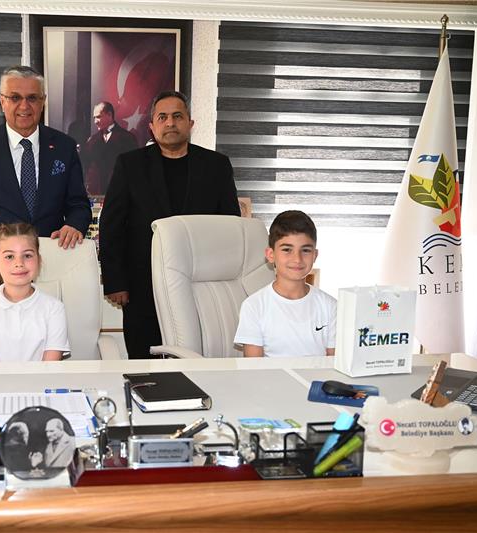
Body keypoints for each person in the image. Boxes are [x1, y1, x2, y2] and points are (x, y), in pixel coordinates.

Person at [99, 91, 241, 359]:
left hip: (201, 284)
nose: (170, 123)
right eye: (162, 117)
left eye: (177, 116)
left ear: (190, 123)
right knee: (145, 362)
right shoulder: (130, 165)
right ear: (152, 127)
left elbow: (230, 228)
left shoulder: (216, 166)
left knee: (198, 360)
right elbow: (111, 225)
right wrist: (116, 281)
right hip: (142, 286)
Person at [0, 65, 91, 249]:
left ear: (43, 101)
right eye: (15, 98)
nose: (24, 106)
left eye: (32, 98)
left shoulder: (65, 147)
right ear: (2, 101)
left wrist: (74, 225)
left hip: (52, 255)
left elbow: (79, 205)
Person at [234, 210, 336, 358]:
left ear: (315, 255)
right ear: (271, 255)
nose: (297, 259)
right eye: (287, 250)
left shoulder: (330, 306)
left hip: (319, 374)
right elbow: (253, 367)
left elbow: (335, 364)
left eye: (305, 250)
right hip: (271, 374)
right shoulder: (254, 306)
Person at [0, 223, 69, 362]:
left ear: (39, 262)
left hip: (42, 377)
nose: (19, 263)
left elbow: (50, 368)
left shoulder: (54, 309)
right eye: (9, 256)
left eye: (27, 255)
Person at [79, 102, 138, 196]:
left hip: (120, 193)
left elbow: (134, 168)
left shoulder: (127, 138)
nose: (95, 121)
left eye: (98, 117)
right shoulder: (92, 140)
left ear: (109, 115)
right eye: (94, 118)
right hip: (96, 194)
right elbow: (86, 166)